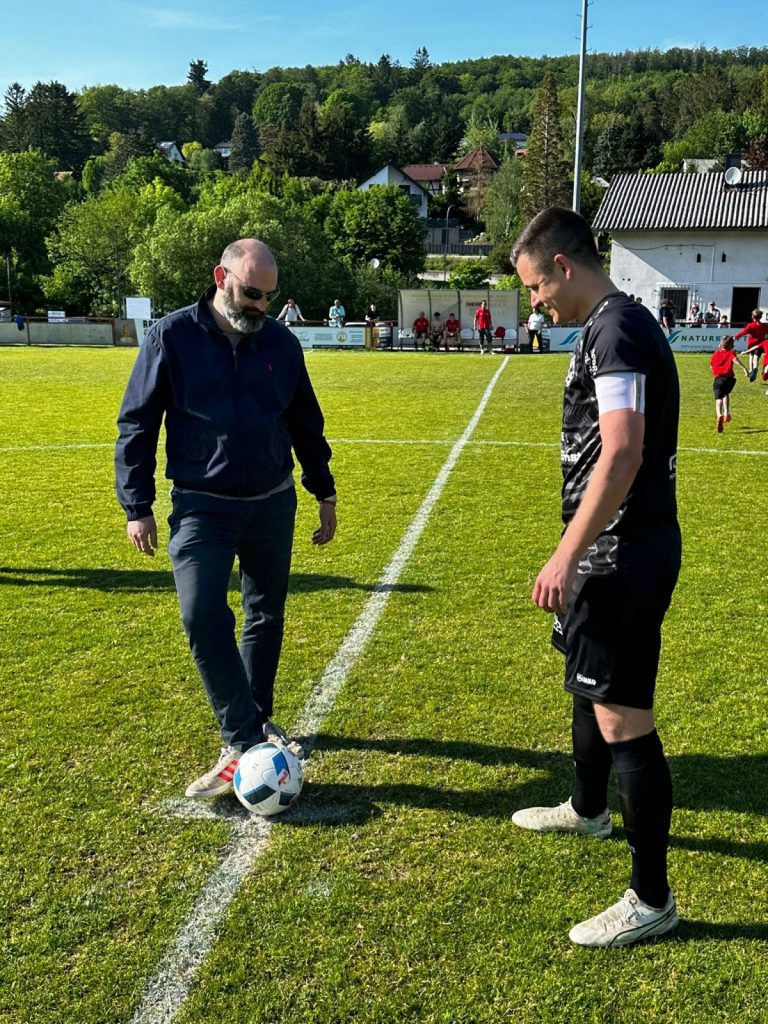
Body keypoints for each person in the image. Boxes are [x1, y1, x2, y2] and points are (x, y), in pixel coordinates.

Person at [510, 207, 681, 948]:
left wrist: (567, 553)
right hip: (607, 549)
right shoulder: (612, 325)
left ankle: (652, 899)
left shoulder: (617, 329)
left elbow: (623, 450)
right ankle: (587, 809)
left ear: (564, 266)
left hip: (619, 554)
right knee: (586, 682)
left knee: (623, 718)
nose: (535, 302)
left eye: (536, 286)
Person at [115, 238, 337, 800]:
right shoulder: (171, 336)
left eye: (269, 297)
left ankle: (253, 725)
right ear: (221, 277)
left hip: (272, 502)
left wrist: (324, 490)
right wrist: (137, 505)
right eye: (251, 293)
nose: (260, 305)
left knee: (265, 614)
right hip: (201, 506)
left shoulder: (281, 343)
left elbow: (305, 421)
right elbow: (137, 424)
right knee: (200, 614)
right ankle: (243, 736)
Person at [710, 335, 749, 432]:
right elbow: (735, 360)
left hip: (718, 379)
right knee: (726, 394)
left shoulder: (716, 353)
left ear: (720, 344)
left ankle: (719, 415)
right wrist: (744, 368)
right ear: (732, 345)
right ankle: (726, 413)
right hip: (729, 379)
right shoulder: (731, 353)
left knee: (718, 399)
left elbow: (711, 366)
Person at [735, 310, 768, 383]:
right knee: (756, 357)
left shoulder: (750, 325)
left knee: (751, 356)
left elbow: (743, 332)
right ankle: (754, 369)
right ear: (760, 317)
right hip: (761, 344)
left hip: (752, 344)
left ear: (752, 317)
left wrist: (736, 337)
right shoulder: (764, 326)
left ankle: (752, 370)